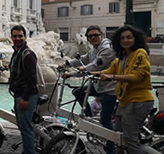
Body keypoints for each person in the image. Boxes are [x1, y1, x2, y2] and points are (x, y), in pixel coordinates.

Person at [94, 25, 154, 154]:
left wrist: (112, 77)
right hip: (124, 102)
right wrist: (88, 73)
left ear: (135, 39)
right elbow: (108, 71)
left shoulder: (140, 54)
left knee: (130, 139)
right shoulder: (121, 58)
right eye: (122, 38)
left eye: (129, 37)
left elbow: (137, 76)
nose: (125, 40)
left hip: (138, 101)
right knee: (118, 137)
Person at [62, 25, 117, 154]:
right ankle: (90, 119)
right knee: (78, 92)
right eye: (90, 36)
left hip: (109, 89)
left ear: (102, 35)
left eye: (95, 35)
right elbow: (83, 59)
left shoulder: (107, 49)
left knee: (105, 120)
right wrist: (67, 64)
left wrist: (74, 72)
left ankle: (111, 149)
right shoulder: (94, 50)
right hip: (98, 85)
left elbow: (92, 66)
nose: (93, 38)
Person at [8, 25, 38, 154]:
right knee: (24, 128)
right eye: (15, 36)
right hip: (18, 94)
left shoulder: (28, 54)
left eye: (20, 36)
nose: (17, 38)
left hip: (26, 95)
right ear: (11, 37)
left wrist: (25, 98)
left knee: (26, 130)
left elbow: (32, 79)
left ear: (25, 37)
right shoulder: (17, 53)